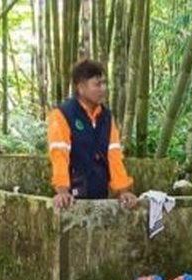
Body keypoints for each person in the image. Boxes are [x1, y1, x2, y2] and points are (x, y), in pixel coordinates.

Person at [47, 59, 138, 212]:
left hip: (100, 191)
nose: (103, 88)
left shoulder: (107, 117)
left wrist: (124, 191)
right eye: (97, 84)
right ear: (81, 87)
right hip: (74, 194)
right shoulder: (62, 114)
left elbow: (114, 155)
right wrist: (62, 191)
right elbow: (59, 154)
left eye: (104, 83)